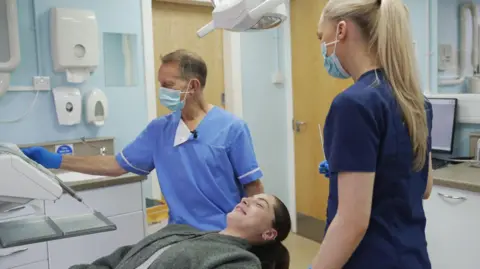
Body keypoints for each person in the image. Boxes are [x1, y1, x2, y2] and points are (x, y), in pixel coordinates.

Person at [21, 49, 265, 231]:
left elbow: (253, 188)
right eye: (160, 85)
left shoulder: (232, 129)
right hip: (179, 234)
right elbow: (116, 165)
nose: (162, 92)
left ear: (193, 86)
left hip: (226, 233)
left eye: (167, 85)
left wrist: (257, 235)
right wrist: (55, 160)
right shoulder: (160, 130)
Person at [312, 0, 434, 268]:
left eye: (323, 37)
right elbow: (424, 187)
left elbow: (352, 223)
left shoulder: (354, 104)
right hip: (412, 257)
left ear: (341, 30)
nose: (322, 46)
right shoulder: (417, 102)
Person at [69, 194, 291, 269]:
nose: (246, 200)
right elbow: (113, 262)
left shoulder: (240, 261)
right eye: (249, 198)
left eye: (259, 205)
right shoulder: (178, 231)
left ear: (269, 233)